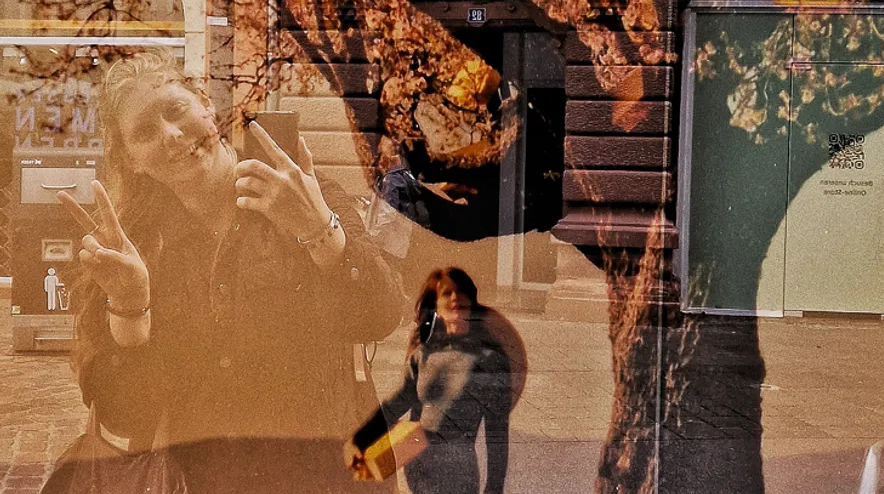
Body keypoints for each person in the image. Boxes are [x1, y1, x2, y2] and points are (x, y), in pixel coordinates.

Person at [51, 49, 400, 494]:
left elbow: (380, 315)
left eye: (176, 111)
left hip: (330, 475)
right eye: (143, 132)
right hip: (205, 480)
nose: (172, 135)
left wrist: (319, 230)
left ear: (206, 105)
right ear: (132, 159)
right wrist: (129, 307)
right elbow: (125, 415)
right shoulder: (132, 248)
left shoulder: (302, 196)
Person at [344, 267, 527, 494]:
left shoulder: (489, 360)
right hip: (419, 464)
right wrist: (365, 437)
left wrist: (494, 486)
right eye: (446, 293)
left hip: (458, 471)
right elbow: (402, 403)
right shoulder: (425, 353)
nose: (455, 298)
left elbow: (497, 431)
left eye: (461, 293)